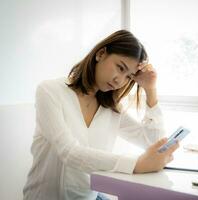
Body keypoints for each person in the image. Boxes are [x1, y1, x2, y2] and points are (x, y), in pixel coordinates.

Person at [23, 30, 179, 200]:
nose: (120, 80)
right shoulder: (50, 91)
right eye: (120, 67)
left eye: (129, 76)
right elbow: (69, 152)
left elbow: (151, 142)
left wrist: (150, 89)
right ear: (101, 53)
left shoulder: (110, 108)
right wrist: (137, 165)